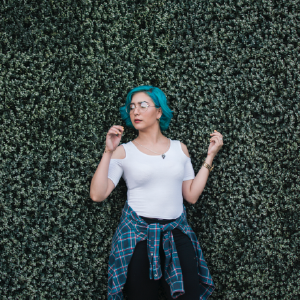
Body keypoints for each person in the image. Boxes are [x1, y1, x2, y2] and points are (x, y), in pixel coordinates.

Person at [90, 85, 223, 300]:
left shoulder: (180, 149)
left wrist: (210, 157)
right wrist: (108, 151)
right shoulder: (124, 151)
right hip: (138, 237)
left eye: (143, 105)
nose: (136, 111)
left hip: (177, 233)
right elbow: (98, 194)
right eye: (132, 107)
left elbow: (191, 195)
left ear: (159, 112)